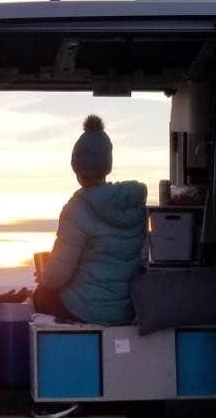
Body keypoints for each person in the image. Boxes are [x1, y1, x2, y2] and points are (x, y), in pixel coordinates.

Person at [33, 115, 147, 326]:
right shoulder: (135, 205)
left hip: (86, 309)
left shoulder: (76, 208)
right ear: (107, 166)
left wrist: (45, 275)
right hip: (126, 309)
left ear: (76, 169)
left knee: (41, 296)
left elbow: (56, 277)